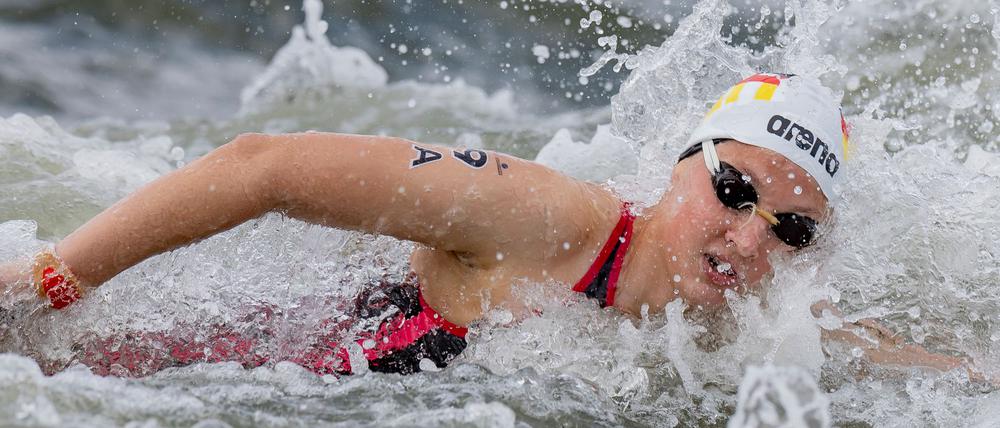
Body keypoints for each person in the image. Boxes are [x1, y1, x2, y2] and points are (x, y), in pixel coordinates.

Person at [0, 73, 976, 378]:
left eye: (791, 230)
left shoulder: (752, 325)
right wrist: (50, 280)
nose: (751, 238)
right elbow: (266, 165)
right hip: (206, 367)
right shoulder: (549, 218)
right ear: (677, 167)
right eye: (732, 188)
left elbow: (887, 356)